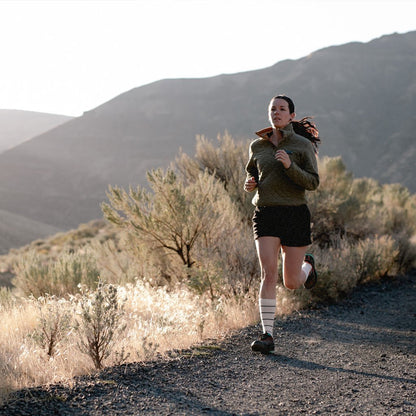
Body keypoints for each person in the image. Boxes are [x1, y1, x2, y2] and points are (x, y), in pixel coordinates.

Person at [244, 94, 320, 354]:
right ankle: (267, 335)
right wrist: (250, 184)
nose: (276, 112)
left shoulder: (301, 145)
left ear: (291, 116)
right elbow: (253, 173)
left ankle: (307, 267)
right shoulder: (257, 146)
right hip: (265, 214)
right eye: (272, 108)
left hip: (295, 215)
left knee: (291, 283)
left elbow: (313, 182)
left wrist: (289, 166)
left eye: (282, 109)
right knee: (268, 273)